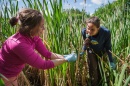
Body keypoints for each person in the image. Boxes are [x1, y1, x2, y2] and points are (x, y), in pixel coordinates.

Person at [0, 8, 77, 86]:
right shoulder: (19, 44)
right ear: (31, 27)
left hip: (11, 75)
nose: (43, 29)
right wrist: (66, 60)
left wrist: (65, 56)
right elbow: (43, 65)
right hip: (4, 77)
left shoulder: (33, 36)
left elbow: (47, 54)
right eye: (41, 26)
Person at [80, 16, 116, 86]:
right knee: (93, 70)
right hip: (91, 51)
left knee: (100, 69)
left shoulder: (106, 33)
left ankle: (101, 82)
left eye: (92, 29)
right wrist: (83, 50)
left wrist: (111, 61)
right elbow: (86, 43)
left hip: (102, 51)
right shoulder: (84, 32)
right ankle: (94, 84)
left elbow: (108, 47)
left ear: (98, 28)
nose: (89, 31)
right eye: (88, 28)